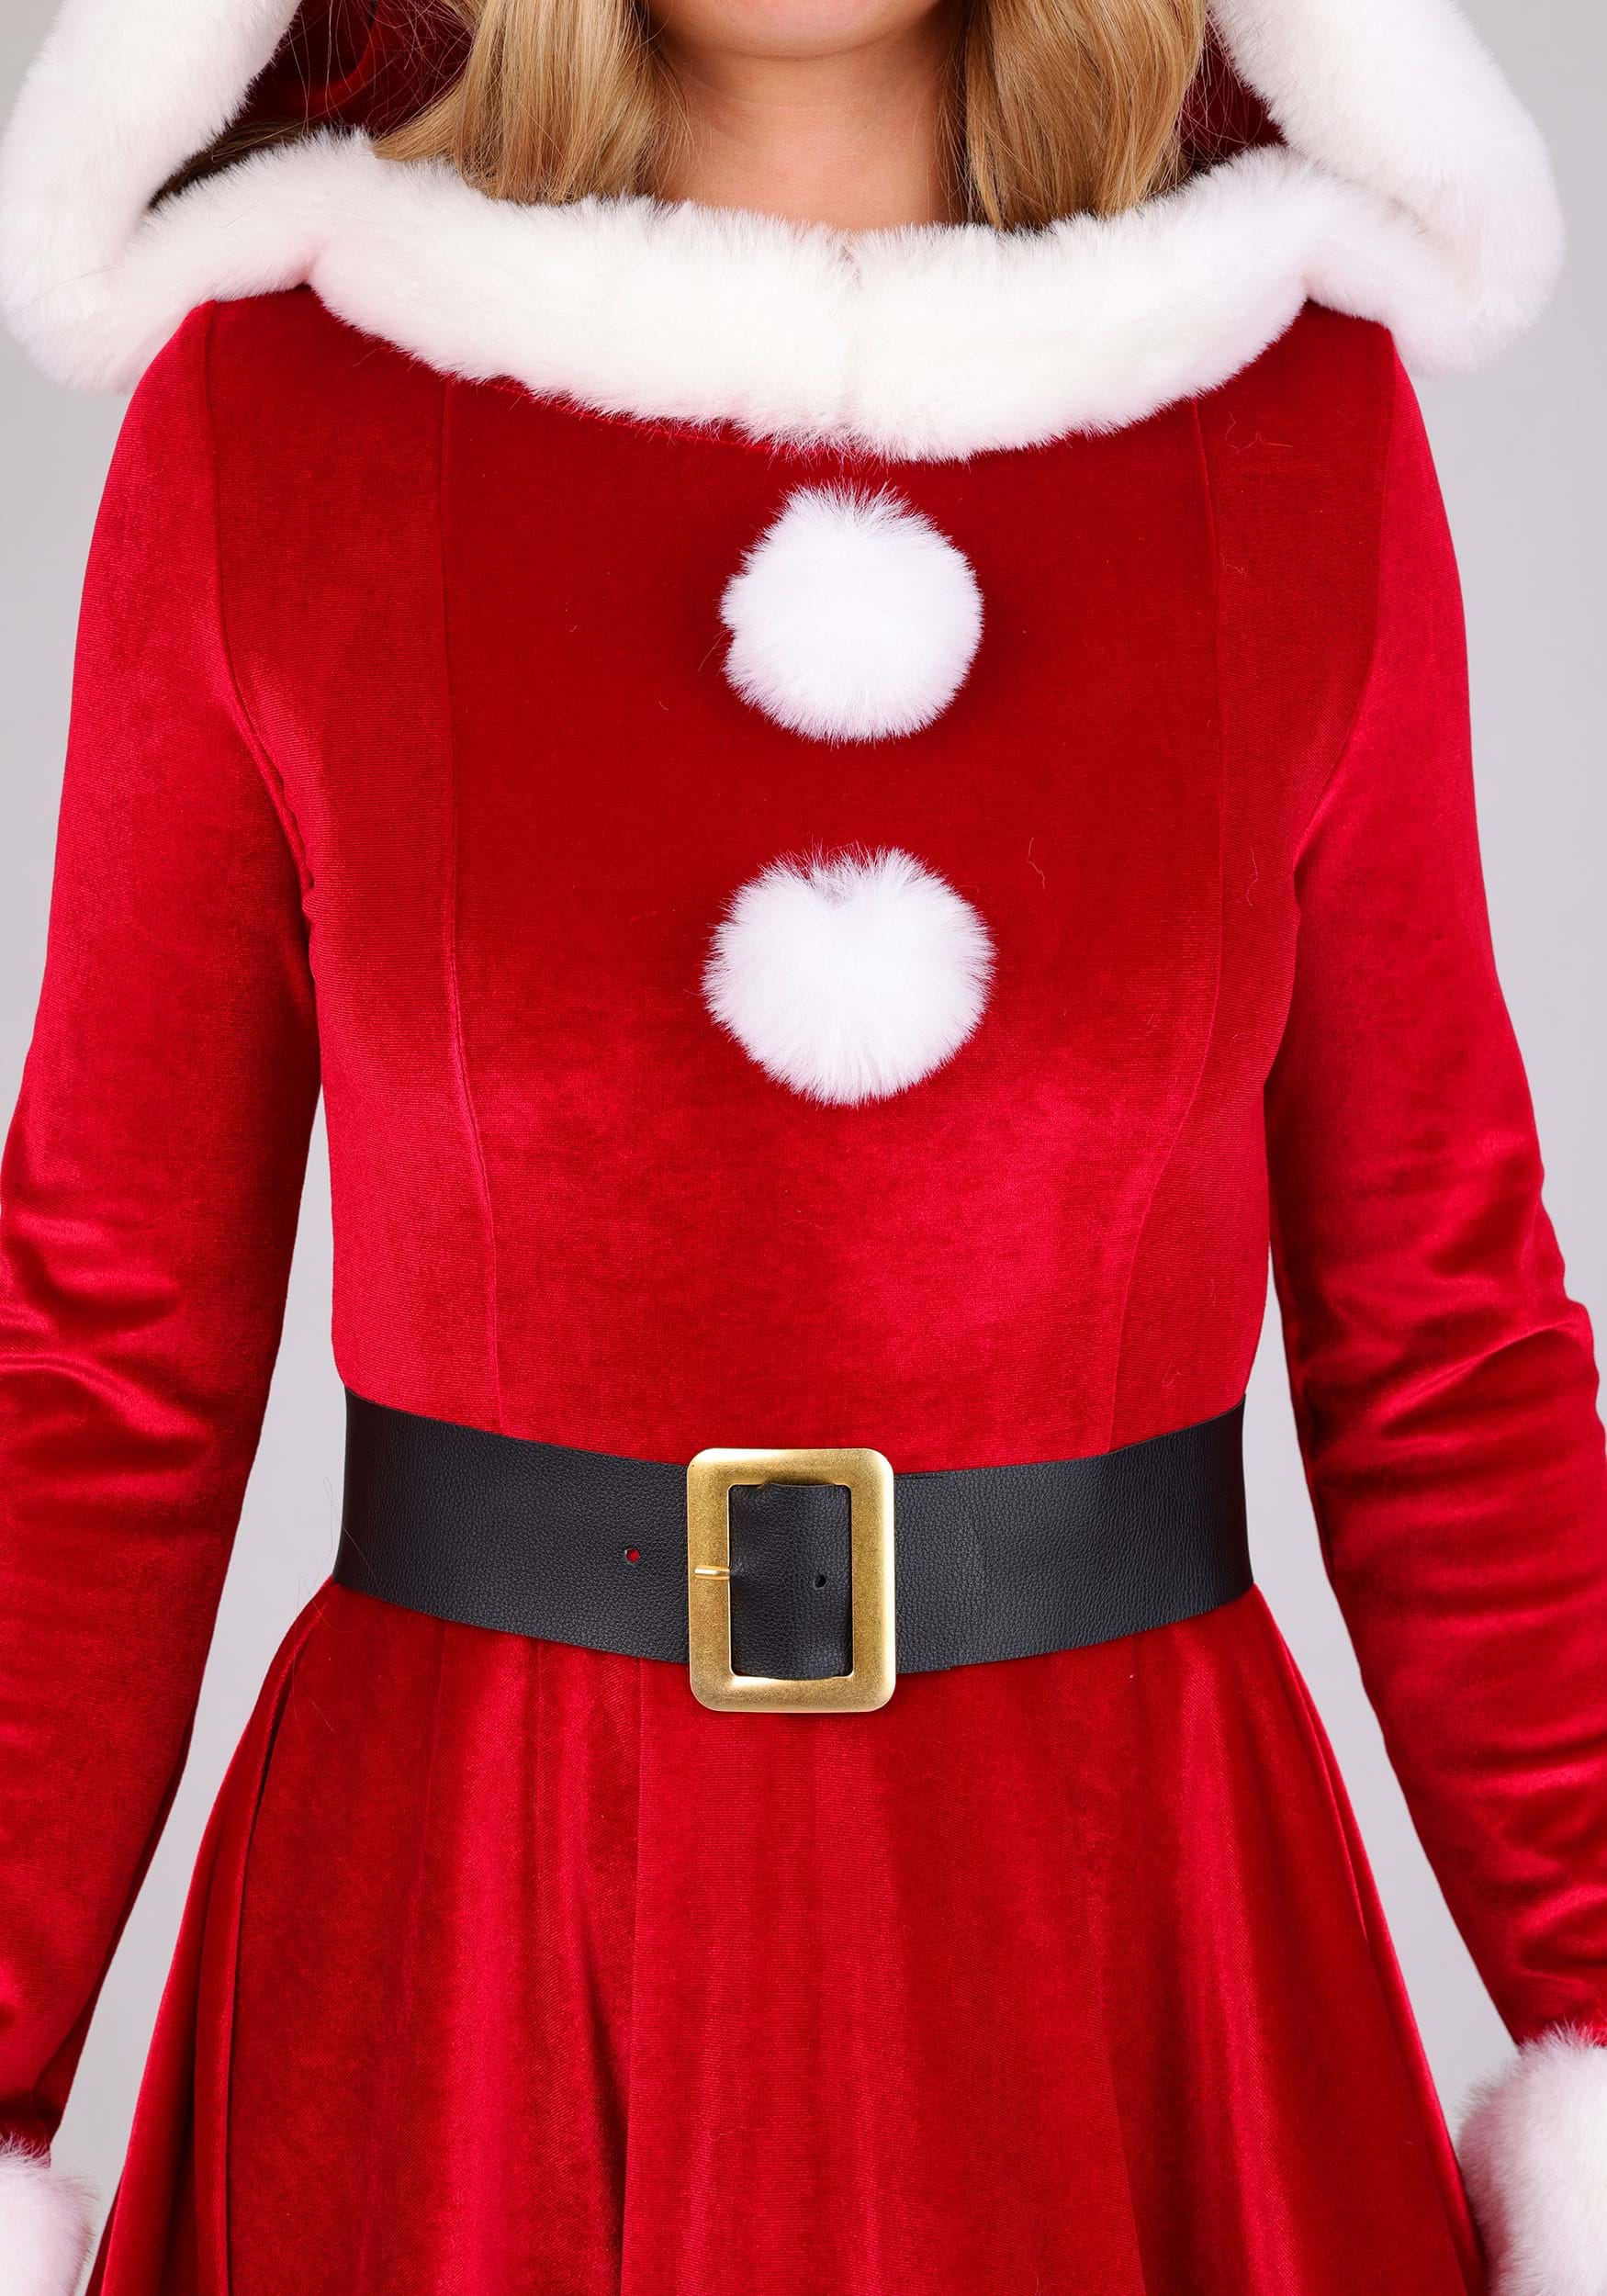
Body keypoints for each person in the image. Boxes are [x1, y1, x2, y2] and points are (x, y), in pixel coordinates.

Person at [0, 0, 1602, 2290]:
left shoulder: (1288, 418)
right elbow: (103, 1364)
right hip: (470, 1977)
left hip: (1117, 1941)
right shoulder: (280, 408)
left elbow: (1444, 1354)